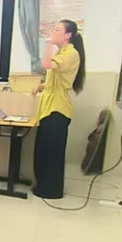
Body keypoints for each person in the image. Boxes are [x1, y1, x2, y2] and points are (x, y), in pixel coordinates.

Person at [32, 19, 86, 199]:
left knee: (52, 154)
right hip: (49, 108)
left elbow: (47, 65)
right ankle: (42, 185)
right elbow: (56, 79)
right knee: (44, 150)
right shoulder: (62, 52)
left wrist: (48, 43)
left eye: (57, 30)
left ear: (68, 35)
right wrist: (42, 86)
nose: (53, 32)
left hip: (58, 110)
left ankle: (52, 190)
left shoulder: (71, 53)